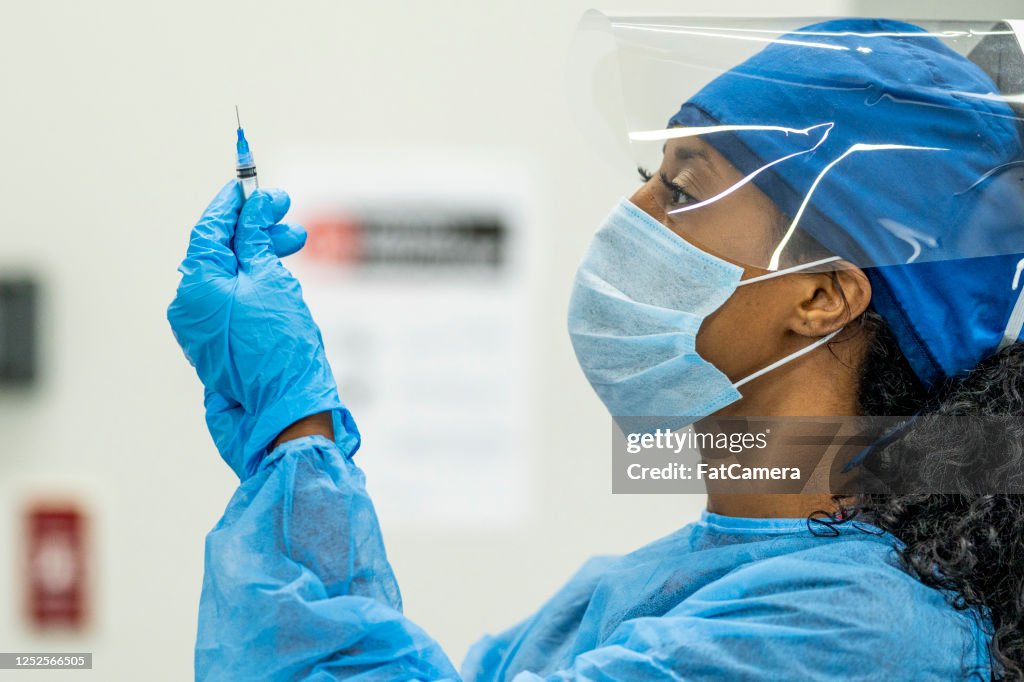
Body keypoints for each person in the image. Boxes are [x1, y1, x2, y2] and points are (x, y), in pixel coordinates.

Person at [168, 18, 1024, 681]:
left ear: (822, 295)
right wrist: (295, 437)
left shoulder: (856, 632)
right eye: (646, 178)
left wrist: (296, 429)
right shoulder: (637, 588)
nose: (632, 216)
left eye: (683, 188)